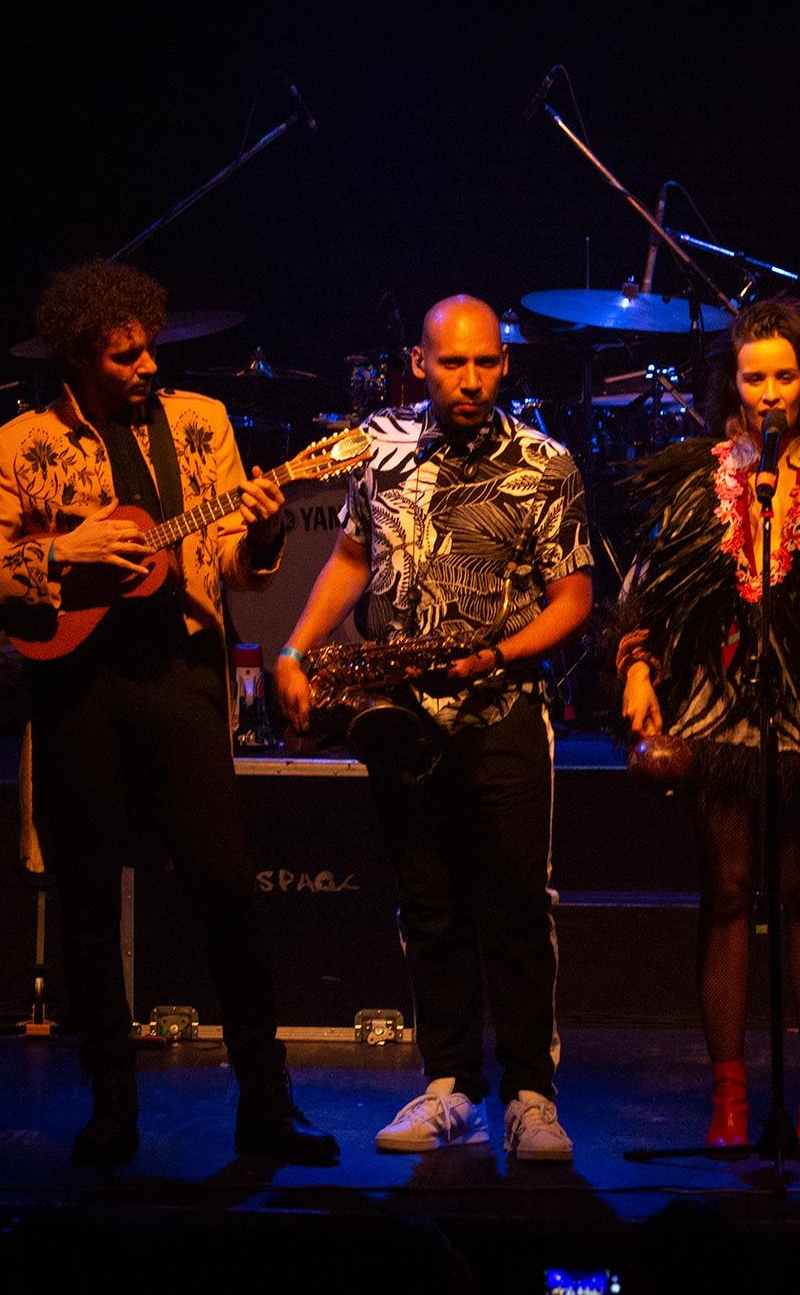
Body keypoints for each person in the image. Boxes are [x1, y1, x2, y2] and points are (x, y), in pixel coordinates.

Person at [0, 259, 335, 1169]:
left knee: (227, 887)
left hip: (182, 677)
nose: (148, 366)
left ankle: (266, 1106)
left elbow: (236, 562)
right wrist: (62, 553)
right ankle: (112, 1108)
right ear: (80, 359)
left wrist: (268, 529)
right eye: (124, 357)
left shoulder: (201, 424)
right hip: (79, 688)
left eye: (150, 349)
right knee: (86, 900)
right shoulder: (23, 443)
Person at [274, 295, 593, 1163]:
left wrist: (493, 658)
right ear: (420, 362)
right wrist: (296, 648)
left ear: (504, 363)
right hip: (402, 715)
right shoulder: (377, 448)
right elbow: (350, 555)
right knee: (429, 905)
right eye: (453, 363)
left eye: (486, 363)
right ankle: (451, 1086)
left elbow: (575, 598)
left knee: (519, 909)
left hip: (502, 712)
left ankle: (532, 1094)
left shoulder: (546, 462)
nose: (472, 380)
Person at [614, 299, 800, 1150]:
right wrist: (637, 668)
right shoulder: (699, 478)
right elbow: (644, 593)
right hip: (717, 704)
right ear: (735, 387)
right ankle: (728, 1100)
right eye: (756, 378)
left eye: (787, 375)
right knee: (724, 893)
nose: (772, 392)